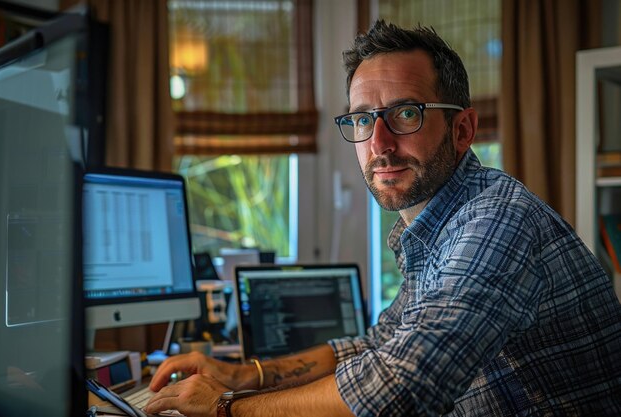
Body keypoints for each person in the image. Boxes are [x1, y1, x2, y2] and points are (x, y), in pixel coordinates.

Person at [144, 20, 621, 417]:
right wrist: (246, 374)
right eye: (362, 119)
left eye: (406, 114)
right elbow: (379, 345)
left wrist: (226, 407)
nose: (379, 143)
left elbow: (403, 384)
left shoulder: (498, 220)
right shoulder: (433, 228)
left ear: (463, 129)